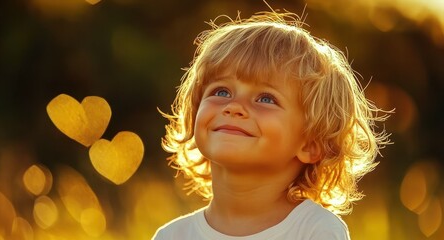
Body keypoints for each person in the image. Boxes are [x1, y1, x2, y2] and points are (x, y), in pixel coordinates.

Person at [153, 9, 390, 240]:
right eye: (221, 91)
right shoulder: (172, 236)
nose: (234, 106)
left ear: (311, 144)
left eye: (266, 99)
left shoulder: (316, 231)